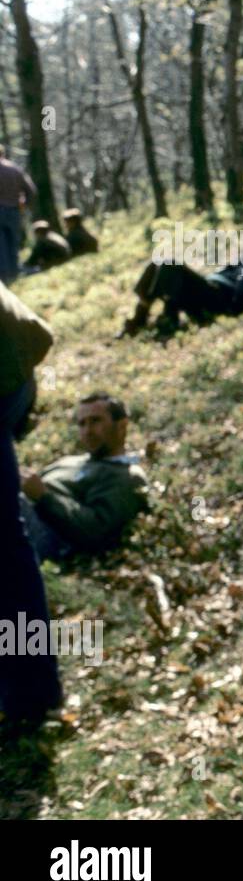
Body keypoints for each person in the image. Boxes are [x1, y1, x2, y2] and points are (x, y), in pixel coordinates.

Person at [0, 283, 60, 728]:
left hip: (8, 372)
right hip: (17, 362)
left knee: (4, 545)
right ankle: (30, 691)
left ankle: (30, 693)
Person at [18, 392, 148, 561]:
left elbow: (95, 531)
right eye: (82, 423)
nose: (88, 431)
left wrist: (44, 496)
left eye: (96, 421)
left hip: (51, 538)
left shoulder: (126, 475)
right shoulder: (71, 461)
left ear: (121, 426)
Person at [119, 218, 243, 336]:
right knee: (158, 263)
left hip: (224, 300)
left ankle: (168, 319)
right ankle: (139, 316)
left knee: (169, 264)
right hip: (212, 290)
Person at [0, 145, 36, 286]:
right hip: (14, 211)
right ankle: (14, 276)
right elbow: (31, 190)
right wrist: (24, 205)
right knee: (13, 244)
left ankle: (4, 279)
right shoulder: (15, 169)